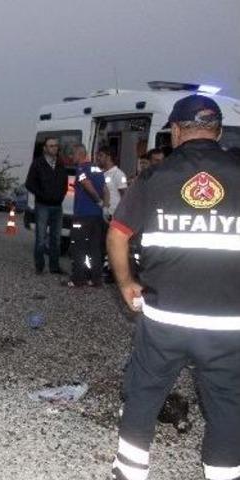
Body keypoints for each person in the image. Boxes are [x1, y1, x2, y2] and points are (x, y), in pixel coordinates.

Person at [107, 94, 240, 480]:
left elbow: (117, 235)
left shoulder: (154, 178)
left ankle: (130, 472)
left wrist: (127, 284)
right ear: (216, 131)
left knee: (144, 393)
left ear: (178, 131)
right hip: (227, 324)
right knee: (227, 405)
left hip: (165, 317)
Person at [25, 137, 69, 275]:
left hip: (57, 206)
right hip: (42, 206)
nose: (54, 148)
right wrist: (43, 195)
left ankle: (54, 267)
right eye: (51, 146)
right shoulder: (38, 164)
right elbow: (29, 184)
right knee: (41, 239)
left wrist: (60, 197)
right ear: (45, 148)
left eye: (56, 145)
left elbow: (65, 184)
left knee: (56, 239)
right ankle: (39, 267)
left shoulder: (61, 164)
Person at [66, 144, 108, 287]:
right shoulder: (97, 169)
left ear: (79, 154)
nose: (72, 157)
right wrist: (104, 206)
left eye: (73, 154)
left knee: (78, 247)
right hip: (97, 216)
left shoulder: (81, 169)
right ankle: (96, 279)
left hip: (83, 215)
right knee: (95, 248)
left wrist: (97, 199)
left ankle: (78, 278)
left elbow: (85, 183)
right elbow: (105, 189)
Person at [99, 147, 127, 216]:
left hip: (113, 214)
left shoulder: (118, 174)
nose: (98, 158)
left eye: (101, 155)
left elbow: (125, 194)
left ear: (108, 157)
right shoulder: (101, 173)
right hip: (102, 212)